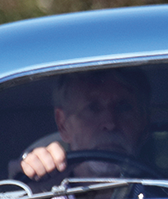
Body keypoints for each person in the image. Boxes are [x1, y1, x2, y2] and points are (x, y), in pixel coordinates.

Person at [19, 67, 151, 182]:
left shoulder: (162, 194)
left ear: (143, 123)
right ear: (63, 124)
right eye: (93, 108)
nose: (110, 123)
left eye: (124, 107)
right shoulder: (41, 198)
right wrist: (35, 183)